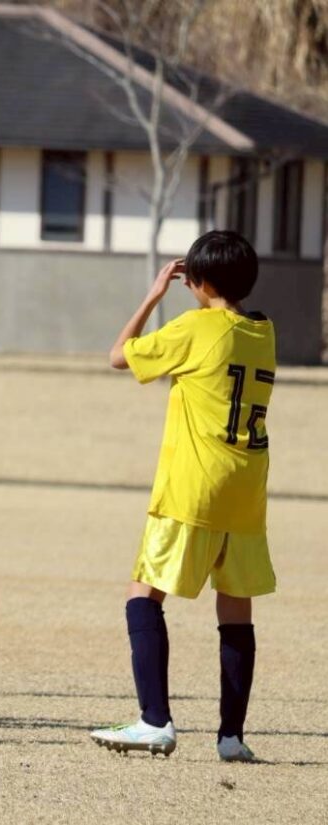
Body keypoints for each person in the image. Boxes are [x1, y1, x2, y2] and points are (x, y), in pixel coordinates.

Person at [90, 231, 276, 762]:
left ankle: (154, 721)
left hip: (193, 486)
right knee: (236, 610)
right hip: (246, 489)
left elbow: (118, 356)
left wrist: (153, 296)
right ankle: (231, 736)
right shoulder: (264, 332)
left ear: (199, 282)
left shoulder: (195, 328)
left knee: (142, 594)